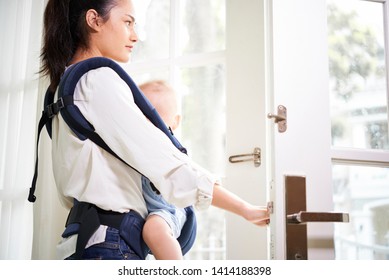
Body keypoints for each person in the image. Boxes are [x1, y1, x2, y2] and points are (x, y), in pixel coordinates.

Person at [40, 0, 269, 260]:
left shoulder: (63, 86)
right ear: (94, 20)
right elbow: (167, 164)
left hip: (82, 240)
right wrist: (244, 208)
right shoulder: (96, 80)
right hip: (108, 244)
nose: (135, 36)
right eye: (127, 22)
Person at [139, 80, 186, 260]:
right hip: (141, 210)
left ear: (175, 122)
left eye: (157, 121)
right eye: (142, 118)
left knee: (154, 230)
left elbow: (193, 177)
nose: (149, 128)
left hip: (167, 210)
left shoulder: (172, 149)